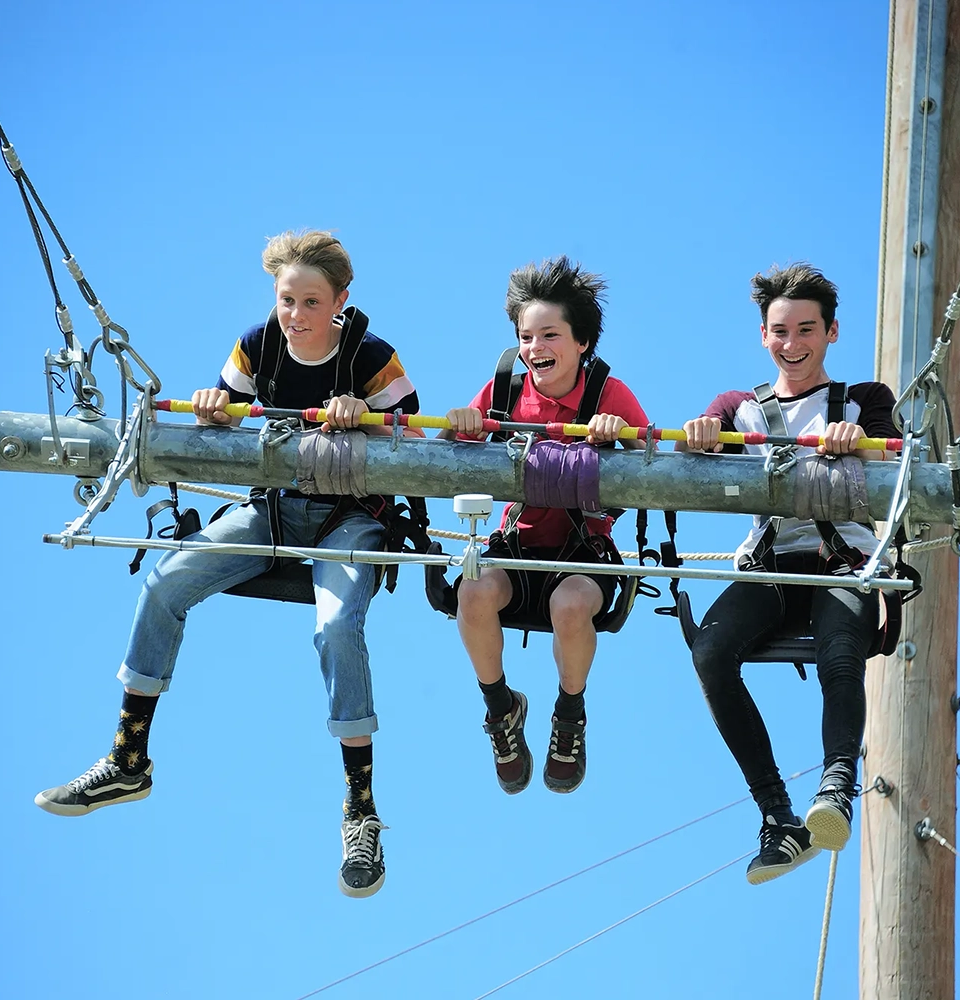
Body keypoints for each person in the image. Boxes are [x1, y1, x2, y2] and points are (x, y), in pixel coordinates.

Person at [34, 231, 419, 899]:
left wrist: (368, 419)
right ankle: (129, 756)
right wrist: (213, 411)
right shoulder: (258, 345)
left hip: (347, 520)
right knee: (165, 582)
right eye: (286, 299)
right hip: (271, 510)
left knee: (334, 631)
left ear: (341, 303)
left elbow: (419, 447)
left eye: (310, 302)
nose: (295, 315)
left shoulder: (373, 358)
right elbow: (224, 429)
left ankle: (361, 809)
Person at [680, 262, 901, 885]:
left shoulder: (865, 402)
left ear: (832, 333)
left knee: (839, 654)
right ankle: (779, 818)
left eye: (807, 329)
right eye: (780, 330)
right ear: (762, 335)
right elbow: (685, 459)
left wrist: (859, 440)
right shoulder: (738, 409)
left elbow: (903, 465)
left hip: (842, 563)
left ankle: (835, 787)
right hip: (772, 567)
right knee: (710, 653)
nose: (792, 344)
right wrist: (698, 439)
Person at [443, 257, 648, 795]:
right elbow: (451, 450)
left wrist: (618, 435)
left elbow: (655, 461)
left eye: (549, 335)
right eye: (525, 336)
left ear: (582, 342)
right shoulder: (505, 389)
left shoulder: (608, 394)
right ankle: (501, 710)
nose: (535, 348)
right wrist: (463, 425)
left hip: (583, 552)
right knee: (472, 592)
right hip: (516, 543)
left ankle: (569, 714)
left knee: (571, 606)